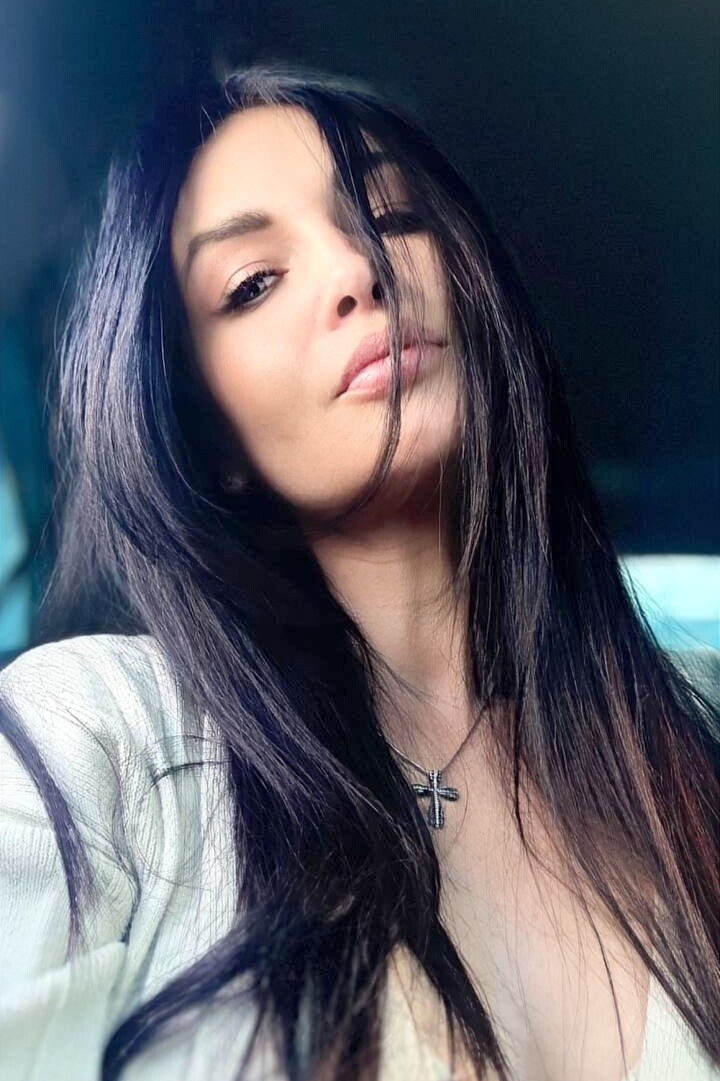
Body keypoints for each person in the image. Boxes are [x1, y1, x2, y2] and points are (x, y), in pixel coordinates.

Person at [0, 61, 717, 1081]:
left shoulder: (681, 747)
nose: (356, 270)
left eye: (390, 215)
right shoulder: (91, 744)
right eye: (252, 283)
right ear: (208, 436)